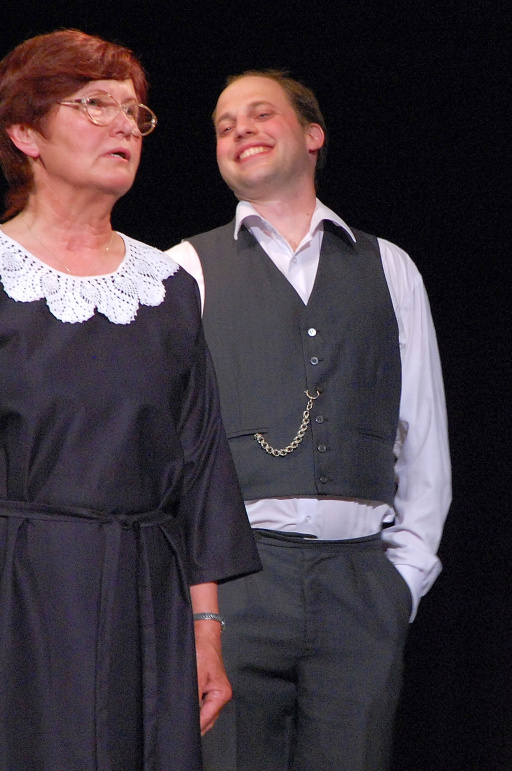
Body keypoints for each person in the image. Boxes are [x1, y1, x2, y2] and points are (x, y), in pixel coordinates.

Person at [0, 30, 260, 771]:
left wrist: (205, 632)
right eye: (95, 104)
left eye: (134, 111)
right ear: (25, 133)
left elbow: (200, 472)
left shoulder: (166, 290)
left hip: (138, 605)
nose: (124, 124)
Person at [167, 70, 451, 770]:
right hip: (236, 582)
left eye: (260, 114)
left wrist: (402, 580)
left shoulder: (389, 266)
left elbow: (423, 430)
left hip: (360, 583)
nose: (240, 130)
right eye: (224, 125)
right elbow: (164, 445)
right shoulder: (184, 269)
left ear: (313, 134)